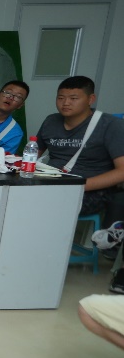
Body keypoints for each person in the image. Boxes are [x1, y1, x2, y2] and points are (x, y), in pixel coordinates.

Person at [36, 76, 124, 259]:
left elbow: (122, 171)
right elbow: (32, 154)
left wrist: (80, 186)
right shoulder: (51, 121)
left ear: (91, 99)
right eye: (61, 98)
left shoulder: (110, 125)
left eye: (74, 98)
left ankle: (41, 254)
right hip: (50, 183)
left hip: (90, 191)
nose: (66, 103)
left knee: (39, 206)